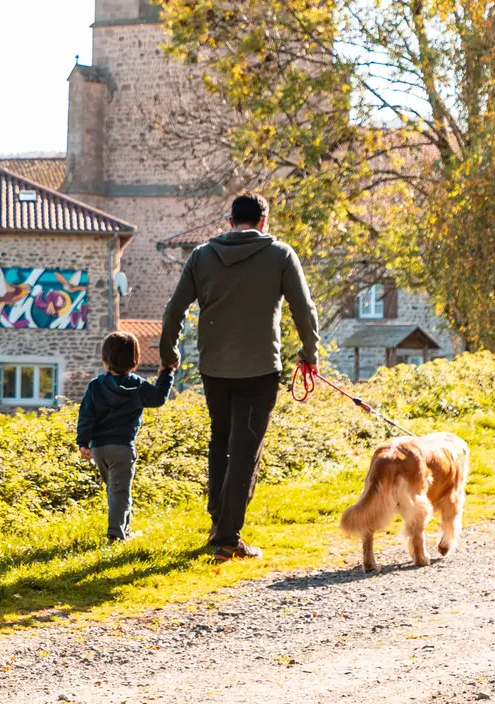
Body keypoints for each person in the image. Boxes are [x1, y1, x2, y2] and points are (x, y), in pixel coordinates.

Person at [158, 193, 319, 560]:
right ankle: (227, 537)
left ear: (231, 221)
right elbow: (304, 310)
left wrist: (169, 353)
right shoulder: (280, 255)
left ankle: (219, 520)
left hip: (213, 367)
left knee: (221, 440)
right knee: (245, 449)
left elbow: (173, 311)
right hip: (261, 367)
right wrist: (309, 354)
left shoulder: (201, 256)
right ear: (264, 221)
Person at [76, 329, 176, 543]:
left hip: (99, 448)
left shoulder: (96, 385)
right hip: (121, 447)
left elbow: (86, 414)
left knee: (115, 490)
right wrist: (166, 374)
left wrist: (83, 442)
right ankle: (116, 534)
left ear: (106, 360)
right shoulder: (137, 385)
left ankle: (125, 530)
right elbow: (158, 398)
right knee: (120, 492)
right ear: (135, 360)